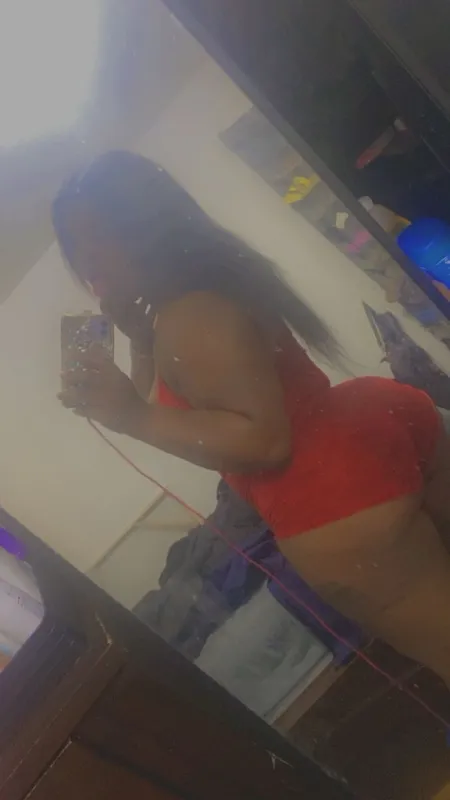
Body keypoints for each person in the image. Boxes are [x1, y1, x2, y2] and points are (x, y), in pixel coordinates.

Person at [53, 150, 450, 687]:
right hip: (371, 433)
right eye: (76, 245)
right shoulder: (197, 292)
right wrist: (141, 345)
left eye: (99, 235)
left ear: (144, 223)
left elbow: (264, 442)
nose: (89, 260)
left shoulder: (191, 314)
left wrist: (130, 416)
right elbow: (182, 408)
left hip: (334, 498)